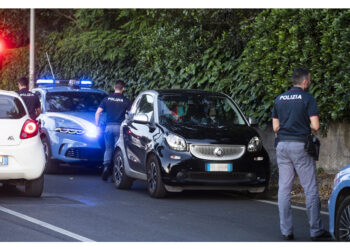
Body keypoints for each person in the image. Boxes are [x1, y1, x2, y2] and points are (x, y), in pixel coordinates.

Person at [272, 68, 331, 241]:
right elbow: (316, 125)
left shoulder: (279, 99)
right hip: (300, 146)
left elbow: (275, 127)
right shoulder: (307, 98)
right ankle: (315, 231)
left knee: (284, 189)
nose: (310, 82)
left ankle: (286, 231)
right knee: (310, 188)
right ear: (305, 82)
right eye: (310, 80)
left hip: (282, 146)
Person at [95, 80, 131, 181]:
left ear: (114, 87)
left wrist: (97, 125)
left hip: (108, 128)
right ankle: (115, 174)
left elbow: (97, 113)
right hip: (119, 128)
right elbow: (130, 115)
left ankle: (106, 167)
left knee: (108, 149)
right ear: (123, 89)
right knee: (117, 150)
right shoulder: (126, 101)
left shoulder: (106, 99)